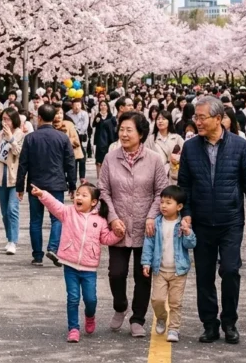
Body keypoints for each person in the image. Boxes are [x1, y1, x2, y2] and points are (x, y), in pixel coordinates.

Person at [177, 96, 246, 345]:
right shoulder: (190, 147)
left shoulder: (238, 144)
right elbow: (185, 185)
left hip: (230, 220)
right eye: (195, 117)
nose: (197, 122)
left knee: (231, 270)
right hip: (201, 221)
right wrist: (186, 213)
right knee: (204, 275)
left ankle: (230, 321)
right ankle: (210, 324)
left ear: (217, 118)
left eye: (202, 117)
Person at [99, 112, 170, 338]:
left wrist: (151, 216)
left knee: (143, 275)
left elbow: (161, 190)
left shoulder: (154, 159)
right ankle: (120, 307)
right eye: (121, 129)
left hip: (145, 227)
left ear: (141, 133)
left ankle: (137, 318)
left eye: (129, 130)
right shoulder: (111, 158)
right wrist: (112, 218)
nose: (124, 134)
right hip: (118, 226)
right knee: (116, 273)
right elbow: (103, 191)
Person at [33, 183, 121, 343]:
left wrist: (118, 235)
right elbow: (55, 205)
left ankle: (89, 316)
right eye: (77, 194)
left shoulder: (100, 220)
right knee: (73, 298)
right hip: (70, 265)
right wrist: (42, 194)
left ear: (94, 202)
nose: (78, 197)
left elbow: (106, 239)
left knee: (91, 299)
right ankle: (73, 328)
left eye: (84, 195)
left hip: (89, 268)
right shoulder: (68, 213)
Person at [16, 103, 74, 267]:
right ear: (54, 117)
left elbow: (23, 164)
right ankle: (53, 248)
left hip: (36, 185)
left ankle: (37, 256)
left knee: (36, 221)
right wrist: (72, 184)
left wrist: (20, 187)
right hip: (56, 183)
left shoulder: (30, 138)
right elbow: (70, 162)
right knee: (58, 218)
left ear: (39, 118)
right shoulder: (62, 137)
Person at [141, 185, 197, 343]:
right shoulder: (156, 223)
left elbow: (191, 244)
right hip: (160, 270)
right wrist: (146, 262)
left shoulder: (183, 224)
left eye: (168, 203)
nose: (163, 206)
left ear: (179, 206)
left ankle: (174, 328)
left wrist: (188, 233)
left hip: (178, 271)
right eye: (162, 202)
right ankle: (161, 318)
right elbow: (149, 244)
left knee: (175, 302)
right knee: (157, 299)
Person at [0, 107, 25, 255]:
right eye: (3, 119)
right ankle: (9, 237)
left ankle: (13, 241)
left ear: (14, 120)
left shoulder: (20, 134)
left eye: (8, 119)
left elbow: (18, 152)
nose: (5, 122)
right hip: (0, 176)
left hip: (14, 176)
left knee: (12, 209)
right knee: (4, 212)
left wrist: (11, 138)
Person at [144, 110, 184, 184]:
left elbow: (185, 155)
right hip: (156, 174)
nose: (160, 121)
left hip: (173, 174)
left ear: (169, 121)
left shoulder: (177, 138)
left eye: (163, 119)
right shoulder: (151, 139)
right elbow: (145, 156)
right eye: (158, 119)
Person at [54, 105, 84, 194]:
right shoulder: (50, 126)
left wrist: (65, 140)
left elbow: (76, 141)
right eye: (57, 113)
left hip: (69, 154)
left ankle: (72, 188)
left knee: (71, 172)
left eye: (61, 113)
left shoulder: (68, 124)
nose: (59, 115)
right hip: (56, 156)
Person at [93, 100, 116, 172]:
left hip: (109, 140)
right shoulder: (98, 115)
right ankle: (99, 178)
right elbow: (93, 125)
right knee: (99, 160)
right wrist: (96, 121)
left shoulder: (111, 116)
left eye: (104, 105)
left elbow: (114, 126)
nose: (103, 107)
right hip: (99, 140)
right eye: (101, 105)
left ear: (107, 107)